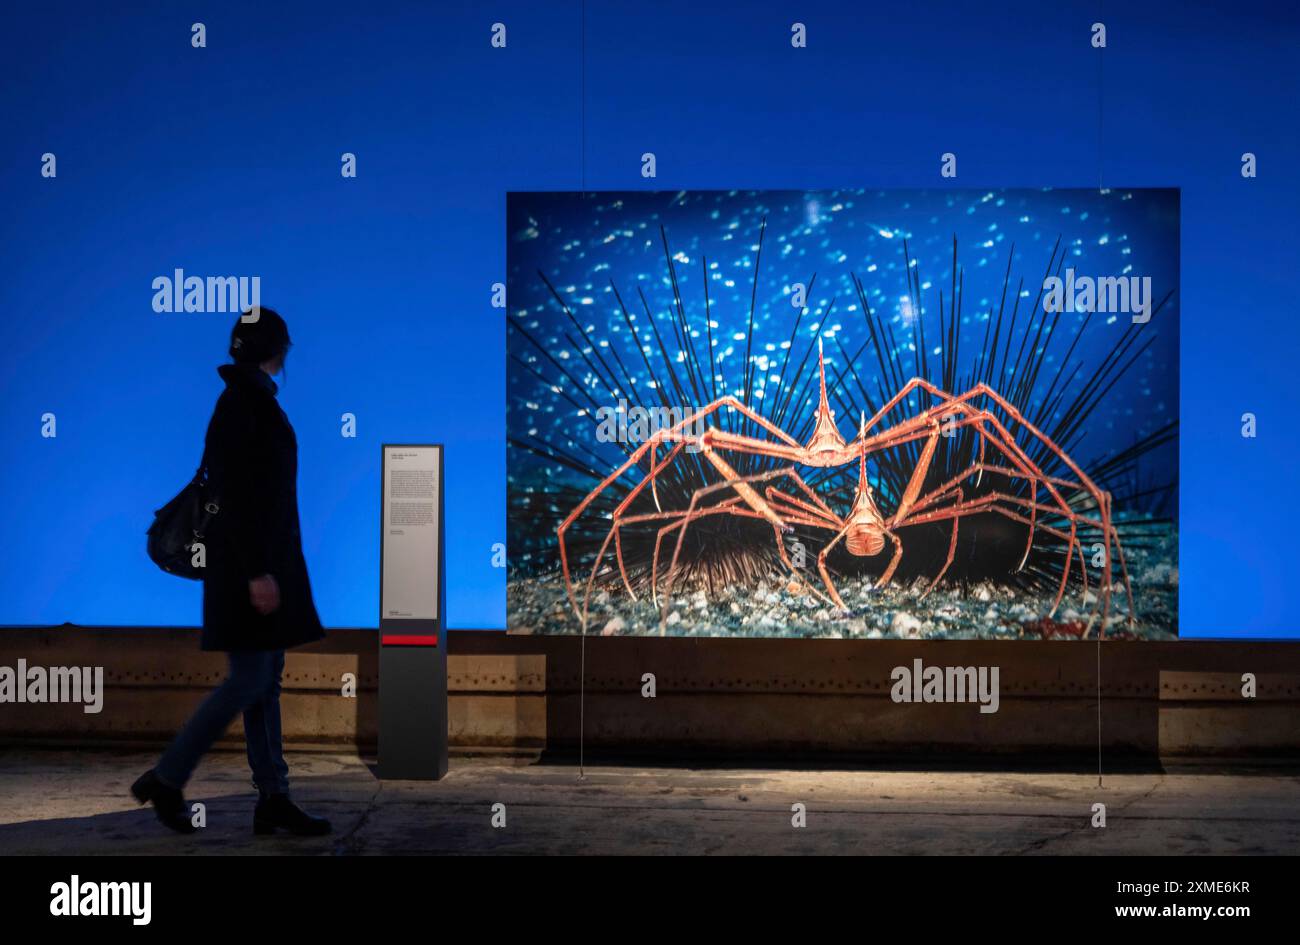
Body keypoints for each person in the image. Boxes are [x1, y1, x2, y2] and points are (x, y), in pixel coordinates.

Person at [132, 307, 330, 836]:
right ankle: (169, 778)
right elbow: (239, 500)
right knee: (248, 681)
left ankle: (273, 798)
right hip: (251, 576)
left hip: (257, 571)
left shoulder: (245, 401)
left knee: (263, 684)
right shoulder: (245, 405)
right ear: (278, 350)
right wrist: (260, 573)